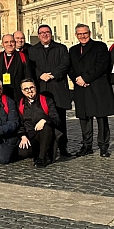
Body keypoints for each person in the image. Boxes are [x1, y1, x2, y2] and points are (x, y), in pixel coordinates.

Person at [69, 24, 114, 157]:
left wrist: (85, 78)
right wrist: (77, 79)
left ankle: (103, 146)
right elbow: (69, 67)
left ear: (90, 33)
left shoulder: (100, 46)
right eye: (80, 34)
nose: (82, 36)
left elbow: (101, 65)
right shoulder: (73, 50)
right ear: (76, 35)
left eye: (85, 33)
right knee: (84, 118)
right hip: (81, 88)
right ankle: (87, 145)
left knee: (101, 118)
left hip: (97, 87)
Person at [28, 24, 72, 157]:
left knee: (60, 119)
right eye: (41, 33)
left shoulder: (61, 48)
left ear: (51, 34)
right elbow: (31, 66)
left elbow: (65, 64)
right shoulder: (33, 50)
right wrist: (40, 74)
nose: (44, 35)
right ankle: (46, 148)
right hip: (42, 88)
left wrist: (52, 74)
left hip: (57, 87)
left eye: (47, 32)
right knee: (42, 118)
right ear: (38, 35)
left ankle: (63, 147)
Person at [17, 79, 60, 167]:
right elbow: (19, 122)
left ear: (35, 88)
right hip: (29, 135)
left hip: (45, 134)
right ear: (22, 91)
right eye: (26, 89)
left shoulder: (46, 100)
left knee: (46, 127)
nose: (29, 91)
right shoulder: (20, 103)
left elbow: (56, 119)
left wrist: (45, 120)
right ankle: (37, 152)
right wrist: (22, 135)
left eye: (31, 87)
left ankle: (42, 158)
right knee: (23, 153)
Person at [0, 34, 32, 103]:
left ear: (15, 43)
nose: (9, 44)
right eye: (6, 42)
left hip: (18, 95)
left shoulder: (23, 57)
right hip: (0, 95)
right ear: (2, 44)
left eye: (12, 41)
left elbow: (28, 76)